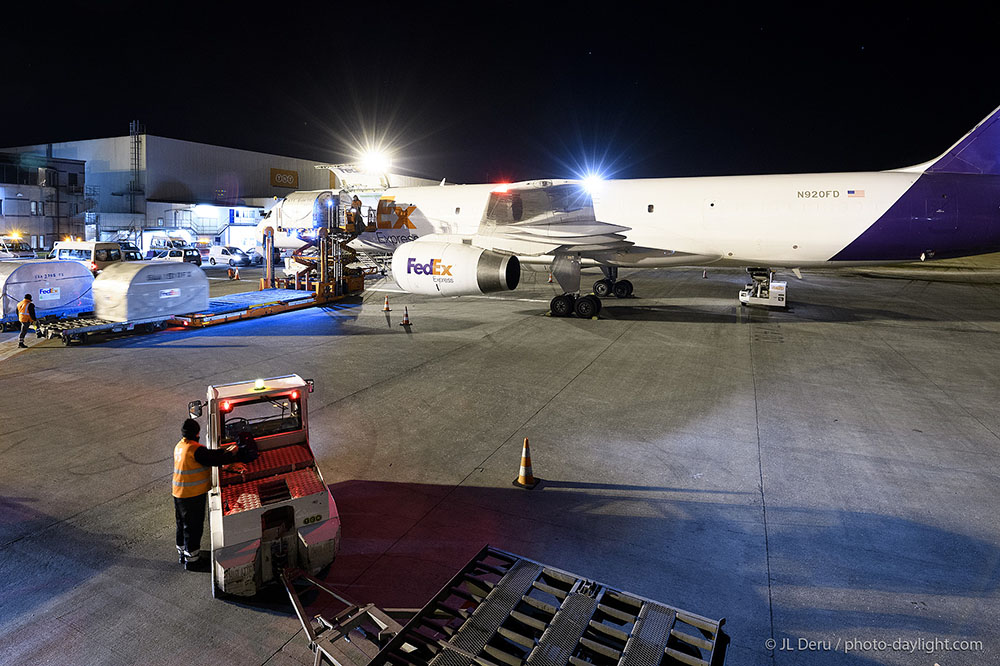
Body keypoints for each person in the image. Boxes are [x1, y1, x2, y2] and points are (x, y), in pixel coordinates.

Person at [172, 418, 251, 571]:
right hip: (192, 495)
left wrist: (223, 452)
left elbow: (209, 455)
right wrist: (232, 453)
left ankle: (183, 553)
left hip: (178, 493)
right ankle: (193, 561)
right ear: (197, 433)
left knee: (181, 525)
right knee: (193, 527)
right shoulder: (195, 449)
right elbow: (214, 459)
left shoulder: (180, 446)